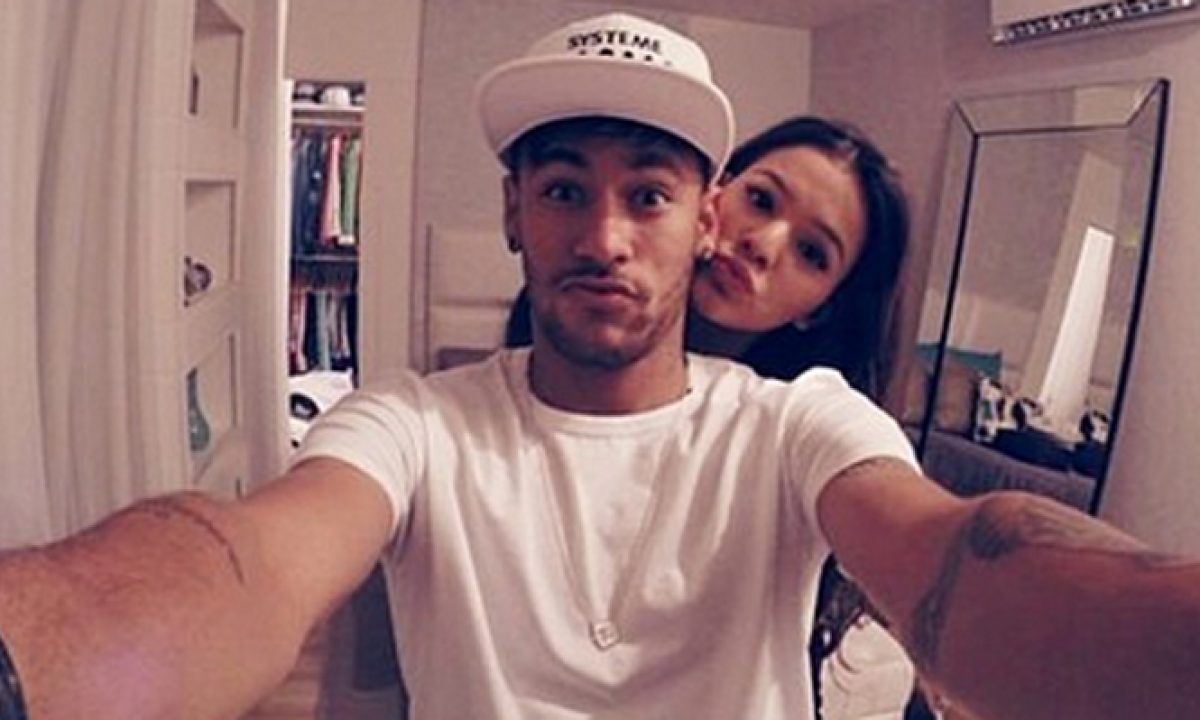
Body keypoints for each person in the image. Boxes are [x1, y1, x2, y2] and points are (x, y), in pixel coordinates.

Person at [0, 12, 1198, 720]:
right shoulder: (413, 422)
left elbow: (959, 559)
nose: (606, 237)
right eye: (566, 189)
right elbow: (246, 566)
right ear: (514, 212)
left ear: (702, 220)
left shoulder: (800, 422)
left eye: (651, 195)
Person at [503, 112, 912, 717]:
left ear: (820, 309)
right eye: (760, 200)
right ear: (709, 199)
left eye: (810, 253)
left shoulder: (799, 424)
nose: (762, 243)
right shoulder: (568, 330)